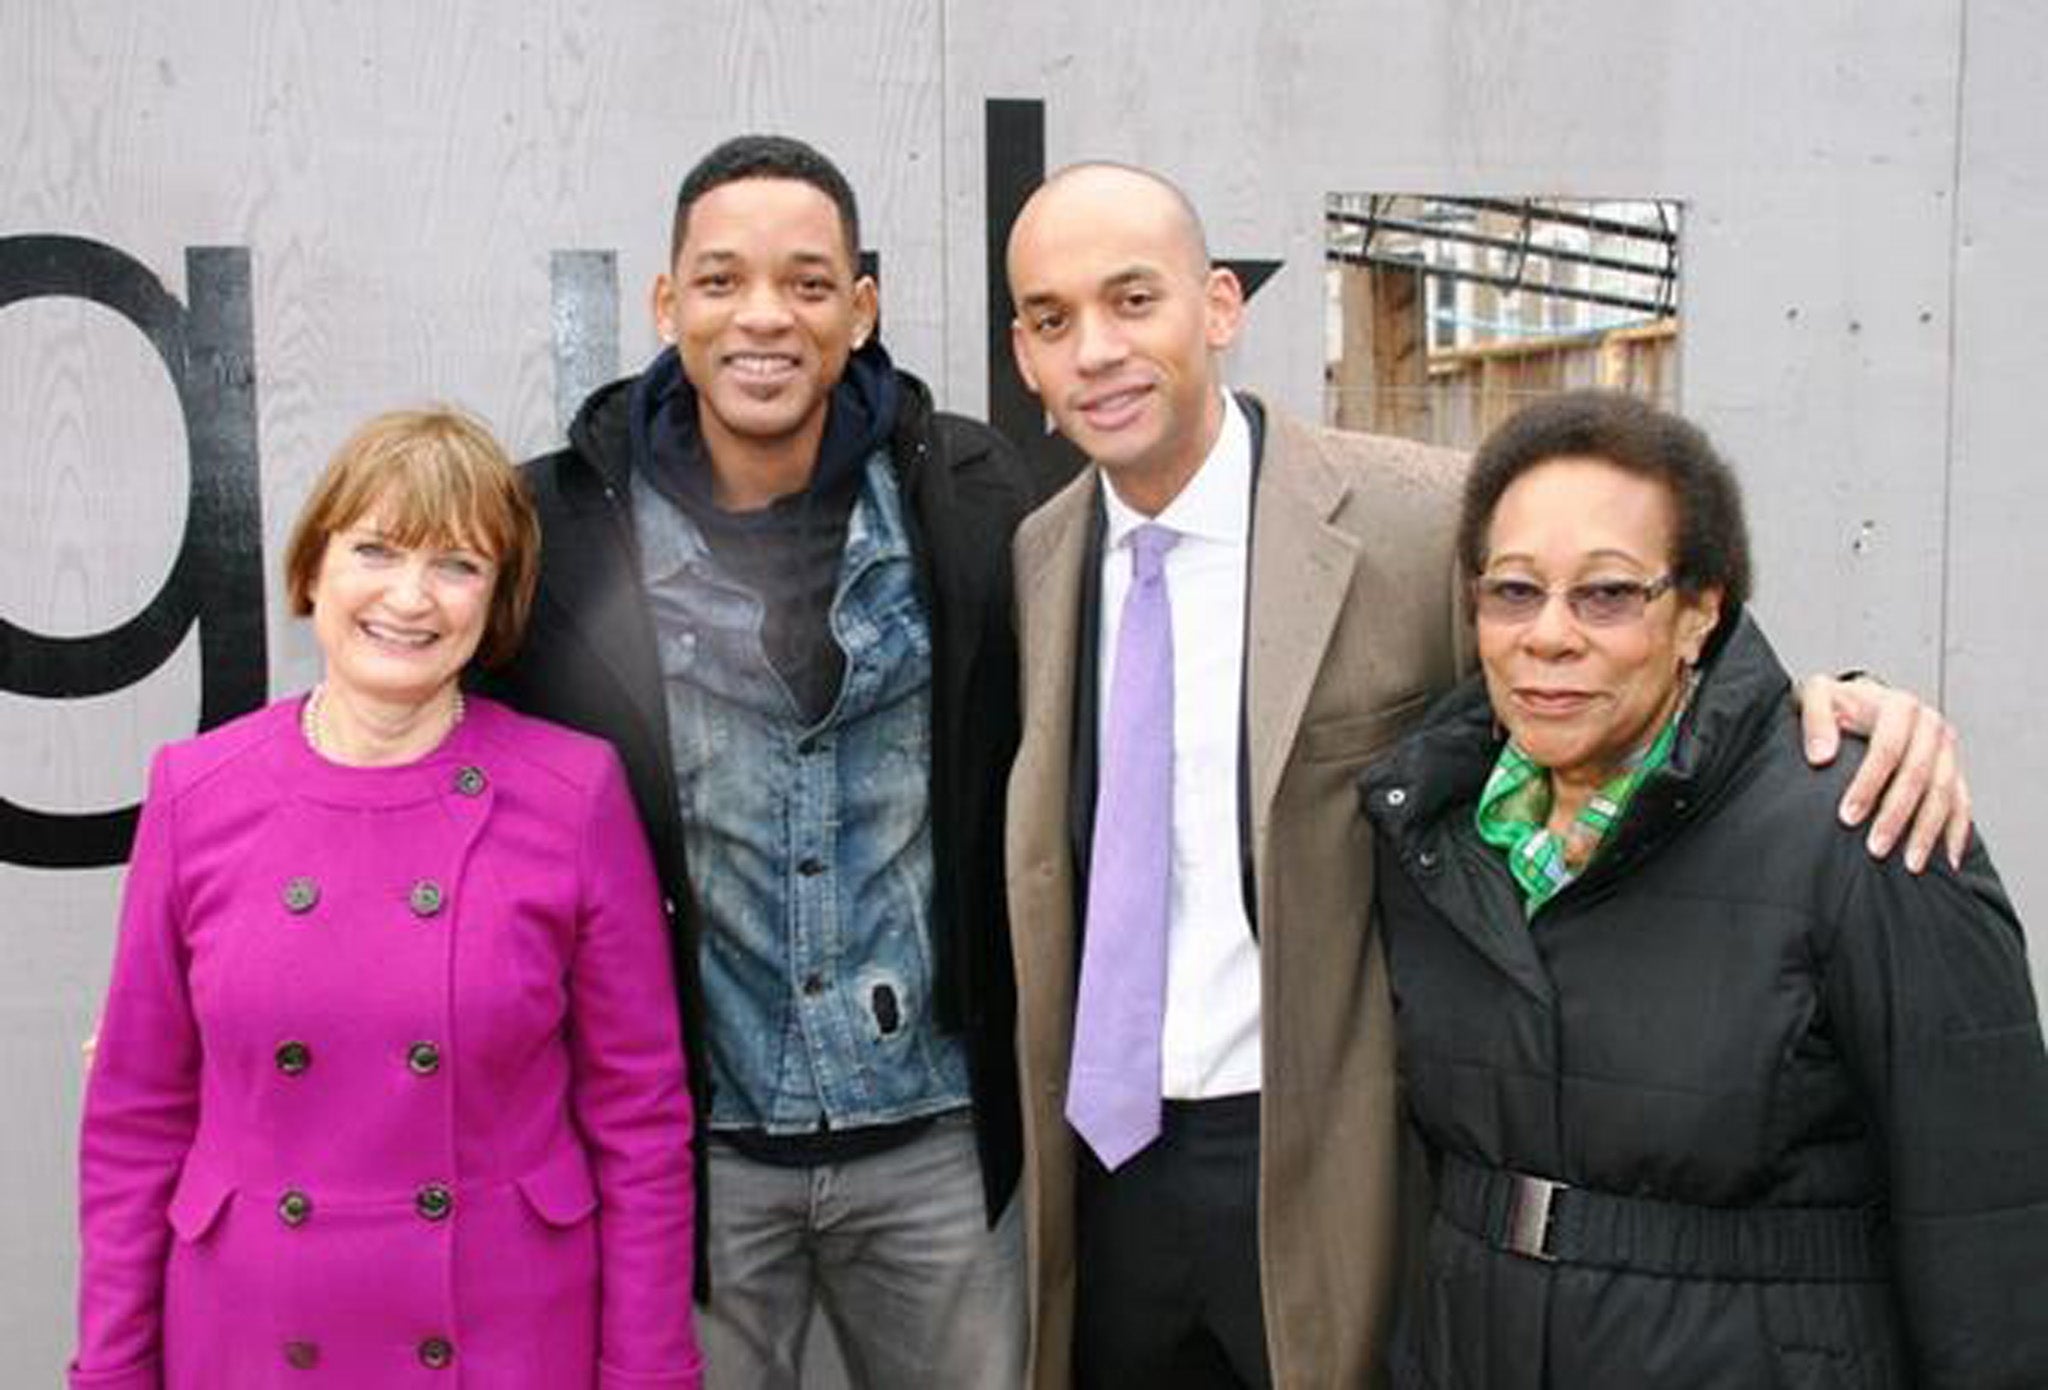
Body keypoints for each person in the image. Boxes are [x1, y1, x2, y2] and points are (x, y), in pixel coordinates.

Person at [1000, 162, 1977, 1389]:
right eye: (1051, 318)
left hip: (1330, 1158)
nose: (1095, 349)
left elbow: (1618, 659)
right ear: (1023, 355)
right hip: (1105, 1167)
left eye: (1130, 300)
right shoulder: (1039, 553)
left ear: (1217, 308)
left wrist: (1829, 704)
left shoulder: (1415, 519)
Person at [480, 135, 1047, 1388]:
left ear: (860, 307)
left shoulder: (971, 495)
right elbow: (422, 765)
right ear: (666, 302)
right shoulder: (554, 529)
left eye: (804, 282)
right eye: (723, 280)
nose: (763, 318)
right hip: (695, 1158)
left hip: (939, 1145)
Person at [1360, 389, 2048, 1387]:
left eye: (1605, 594)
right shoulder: (1423, 827)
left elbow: (1989, 1224)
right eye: (1512, 590)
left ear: (1698, 610)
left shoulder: (1863, 824)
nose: (1547, 635)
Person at [71, 408, 701, 1387]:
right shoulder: (195, 793)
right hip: (253, 1335)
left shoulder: (573, 793)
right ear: (313, 566)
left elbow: (639, 1121)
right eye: (376, 549)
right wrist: (111, 1371)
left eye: (458, 564)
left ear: (495, 602)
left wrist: (649, 1373)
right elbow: (135, 1118)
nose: (411, 597)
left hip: (504, 1336)